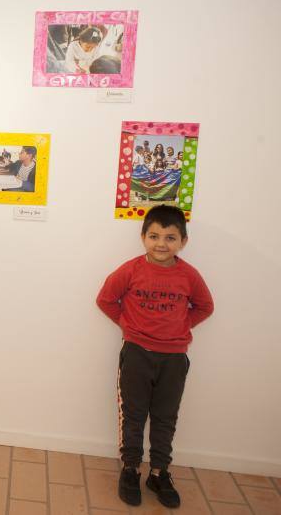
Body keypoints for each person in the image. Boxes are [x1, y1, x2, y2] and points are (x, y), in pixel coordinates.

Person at [96, 205, 214, 509]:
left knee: (165, 417)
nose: (161, 243)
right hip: (136, 354)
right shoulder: (131, 270)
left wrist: (181, 326)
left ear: (183, 241)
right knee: (133, 415)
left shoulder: (189, 275)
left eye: (170, 237)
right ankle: (131, 469)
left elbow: (204, 307)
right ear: (143, 237)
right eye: (154, 236)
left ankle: (159, 472)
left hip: (174, 359)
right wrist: (128, 325)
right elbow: (106, 299)